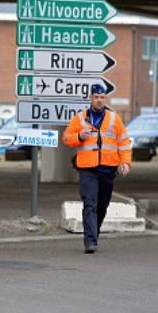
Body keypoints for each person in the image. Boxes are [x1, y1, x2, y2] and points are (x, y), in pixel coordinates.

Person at [63, 84, 131, 254]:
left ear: (105, 99)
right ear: (91, 98)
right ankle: (90, 241)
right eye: (96, 97)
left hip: (108, 168)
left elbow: (124, 142)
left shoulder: (114, 119)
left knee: (102, 206)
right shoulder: (80, 118)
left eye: (102, 97)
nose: (99, 100)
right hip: (87, 168)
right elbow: (66, 138)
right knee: (90, 203)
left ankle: (94, 233)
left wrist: (125, 162)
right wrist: (79, 136)